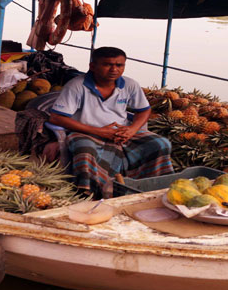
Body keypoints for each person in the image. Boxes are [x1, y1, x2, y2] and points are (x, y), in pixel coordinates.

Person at [49, 47, 174, 198]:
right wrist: (99, 131)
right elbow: (56, 117)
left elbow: (144, 110)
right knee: (84, 149)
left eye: (119, 65)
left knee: (160, 143)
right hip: (86, 132)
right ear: (93, 66)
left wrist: (132, 130)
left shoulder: (130, 85)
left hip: (122, 131)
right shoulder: (77, 86)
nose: (114, 69)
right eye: (107, 64)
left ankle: (150, 187)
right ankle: (91, 194)